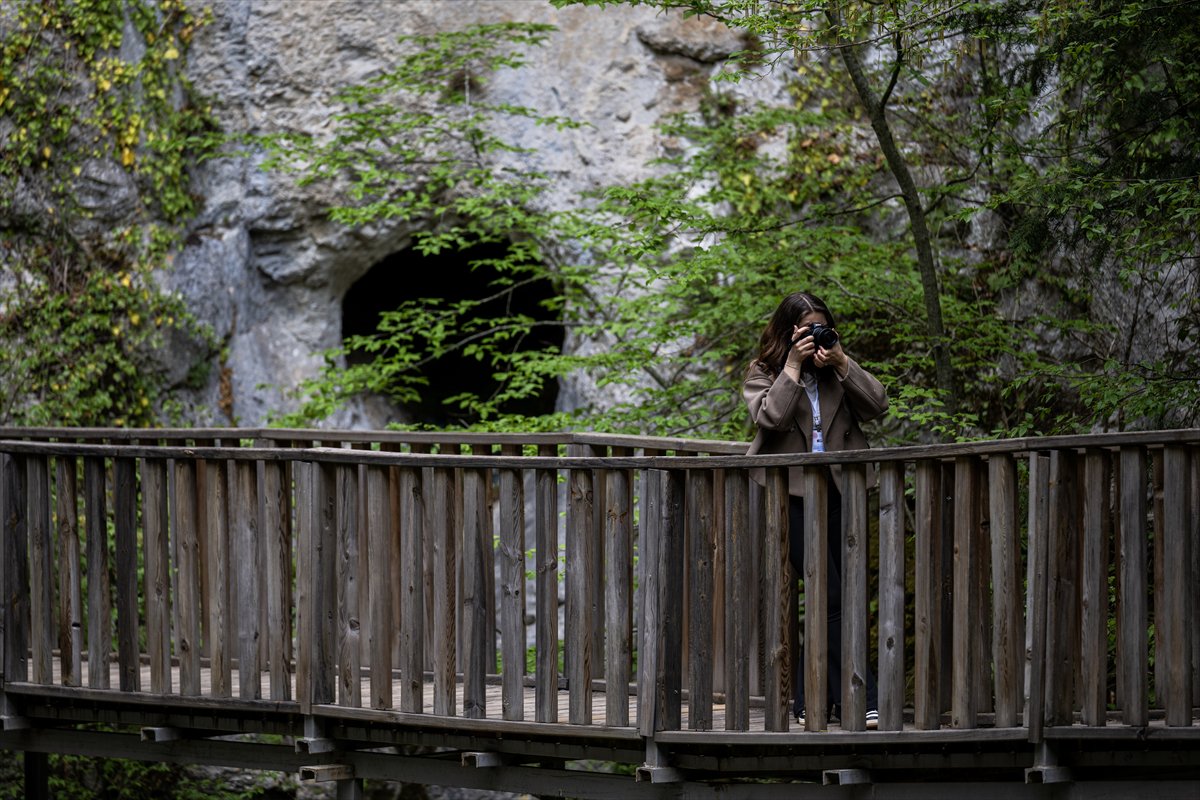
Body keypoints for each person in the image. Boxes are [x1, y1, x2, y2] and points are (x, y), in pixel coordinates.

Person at [742, 291, 888, 729]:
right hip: (797, 497)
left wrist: (842, 362)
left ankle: (812, 698)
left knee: (846, 594)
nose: (814, 337)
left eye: (820, 328)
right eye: (805, 330)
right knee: (829, 595)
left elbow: (879, 405)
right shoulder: (764, 372)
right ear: (786, 332)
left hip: (843, 490)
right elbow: (771, 419)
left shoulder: (833, 372)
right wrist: (791, 365)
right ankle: (863, 698)